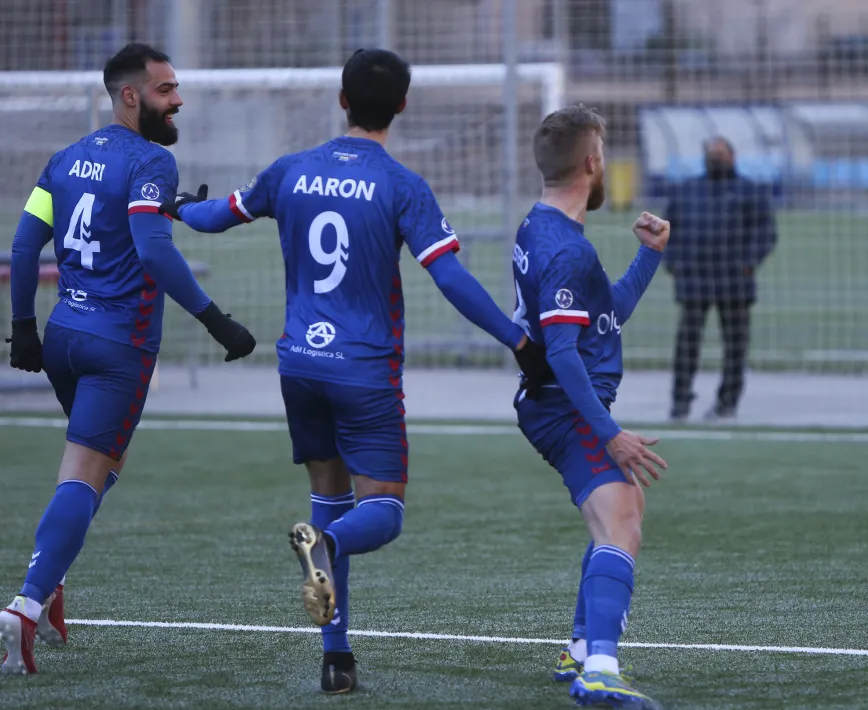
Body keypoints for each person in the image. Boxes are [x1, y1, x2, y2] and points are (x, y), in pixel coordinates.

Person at [159, 48, 548, 694]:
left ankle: (336, 662)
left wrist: (176, 207)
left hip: (300, 365)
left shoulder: (289, 170)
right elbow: (449, 277)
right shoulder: (401, 184)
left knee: (329, 502)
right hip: (363, 371)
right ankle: (328, 550)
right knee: (381, 513)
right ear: (402, 106)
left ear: (341, 100)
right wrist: (517, 340)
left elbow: (214, 216)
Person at [0, 42, 257, 675]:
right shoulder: (150, 161)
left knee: (99, 464)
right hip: (119, 348)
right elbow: (153, 250)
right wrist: (217, 321)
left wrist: (24, 328)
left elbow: (25, 246)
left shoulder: (65, 159)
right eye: (166, 90)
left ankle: (50, 585)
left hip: (63, 338)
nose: (178, 100)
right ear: (130, 96)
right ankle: (25, 606)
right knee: (85, 474)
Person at [510, 104, 668, 708]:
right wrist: (610, 432)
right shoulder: (567, 251)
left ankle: (580, 648)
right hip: (565, 406)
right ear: (593, 164)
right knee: (621, 518)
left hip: (557, 402)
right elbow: (563, 352)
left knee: (621, 511)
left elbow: (603, 316)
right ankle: (600, 668)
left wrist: (649, 254)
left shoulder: (542, 227)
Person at [663, 136, 777, 421]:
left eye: (720, 153)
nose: (715, 158)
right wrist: (672, 263)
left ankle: (727, 402)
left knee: (735, 346)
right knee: (687, 345)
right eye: (711, 154)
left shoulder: (750, 191)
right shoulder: (687, 190)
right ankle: (680, 400)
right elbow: (666, 229)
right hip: (694, 279)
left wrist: (749, 263)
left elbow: (766, 233)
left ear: (732, 156)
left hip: (734, 281)